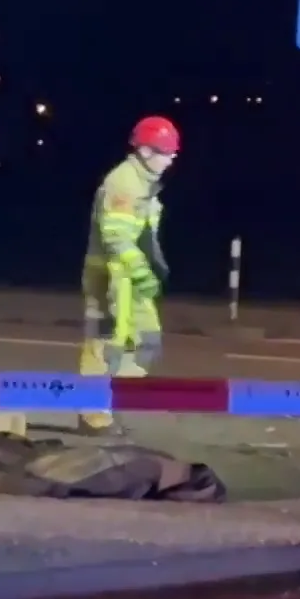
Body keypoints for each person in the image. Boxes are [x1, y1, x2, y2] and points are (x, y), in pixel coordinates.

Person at [78, 116, 178, 434]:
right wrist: (141, 274)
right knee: (104, 344)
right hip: (110, 279)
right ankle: (93, 415)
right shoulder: (123, 183)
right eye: (166, 151)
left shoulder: (143, 183)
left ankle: (106, 399)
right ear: (145, 152)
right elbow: (116, 238)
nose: (172, 158)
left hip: (129, 279)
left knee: (146, 342)